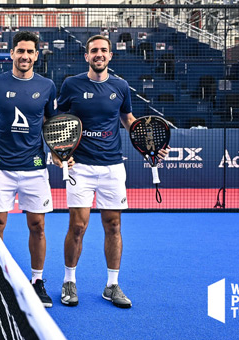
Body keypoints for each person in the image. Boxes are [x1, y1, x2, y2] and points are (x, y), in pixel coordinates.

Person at [56, 35, 167, 309]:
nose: (99, 54)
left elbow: (128, 120)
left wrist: (148, 146)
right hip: (79, 165)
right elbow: (57, 122)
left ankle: (112, 285)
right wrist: (58, 153)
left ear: (110, 55)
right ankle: (69, 280)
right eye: (94, 50)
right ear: (86, 56)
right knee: (78, 226)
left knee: (114, 225)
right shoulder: (71, 85)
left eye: (104, 50)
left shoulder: (121, 86)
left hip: (112, 167)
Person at [0, 31, 57, 308]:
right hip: (0, 168)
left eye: (30, 52)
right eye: (20, 51)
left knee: (38, 226)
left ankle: (37, 281)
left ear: (36, 55)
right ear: (11, 53)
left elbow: (51, 124)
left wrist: (57, 152)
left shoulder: (47, 86)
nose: (25, 56)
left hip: (34, 168)